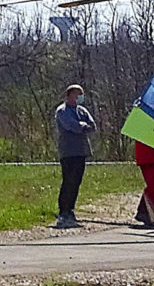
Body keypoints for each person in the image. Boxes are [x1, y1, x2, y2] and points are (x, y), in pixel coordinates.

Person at [55, 84, 96, 229]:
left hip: (81, 151)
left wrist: (83, 125)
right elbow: (71, 126)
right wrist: (82, 126)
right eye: (77, 94)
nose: (79, 97)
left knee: (77, 182)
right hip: (68, 152)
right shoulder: (62, 111)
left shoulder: (82, 111)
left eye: (81, 94)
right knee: (68, 181)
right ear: (69, 95)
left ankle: (71, 209)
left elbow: (92, 125)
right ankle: (63, 210)